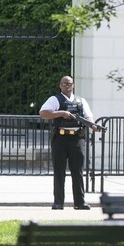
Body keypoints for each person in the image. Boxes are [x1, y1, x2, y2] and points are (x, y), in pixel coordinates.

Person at [39, 76, 98, 210]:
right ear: (60, 86)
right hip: (60, 139)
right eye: (64, 84)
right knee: (59, 172)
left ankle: (80, 202)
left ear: (73, 86)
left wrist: (93, 125)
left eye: (69, 84)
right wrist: (61, 113)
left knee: (78, 172)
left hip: (77, 139)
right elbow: (43, 113)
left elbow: (88, 116)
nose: (67, 86)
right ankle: (58, 202)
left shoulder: (80, 101)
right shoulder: (55, 99)